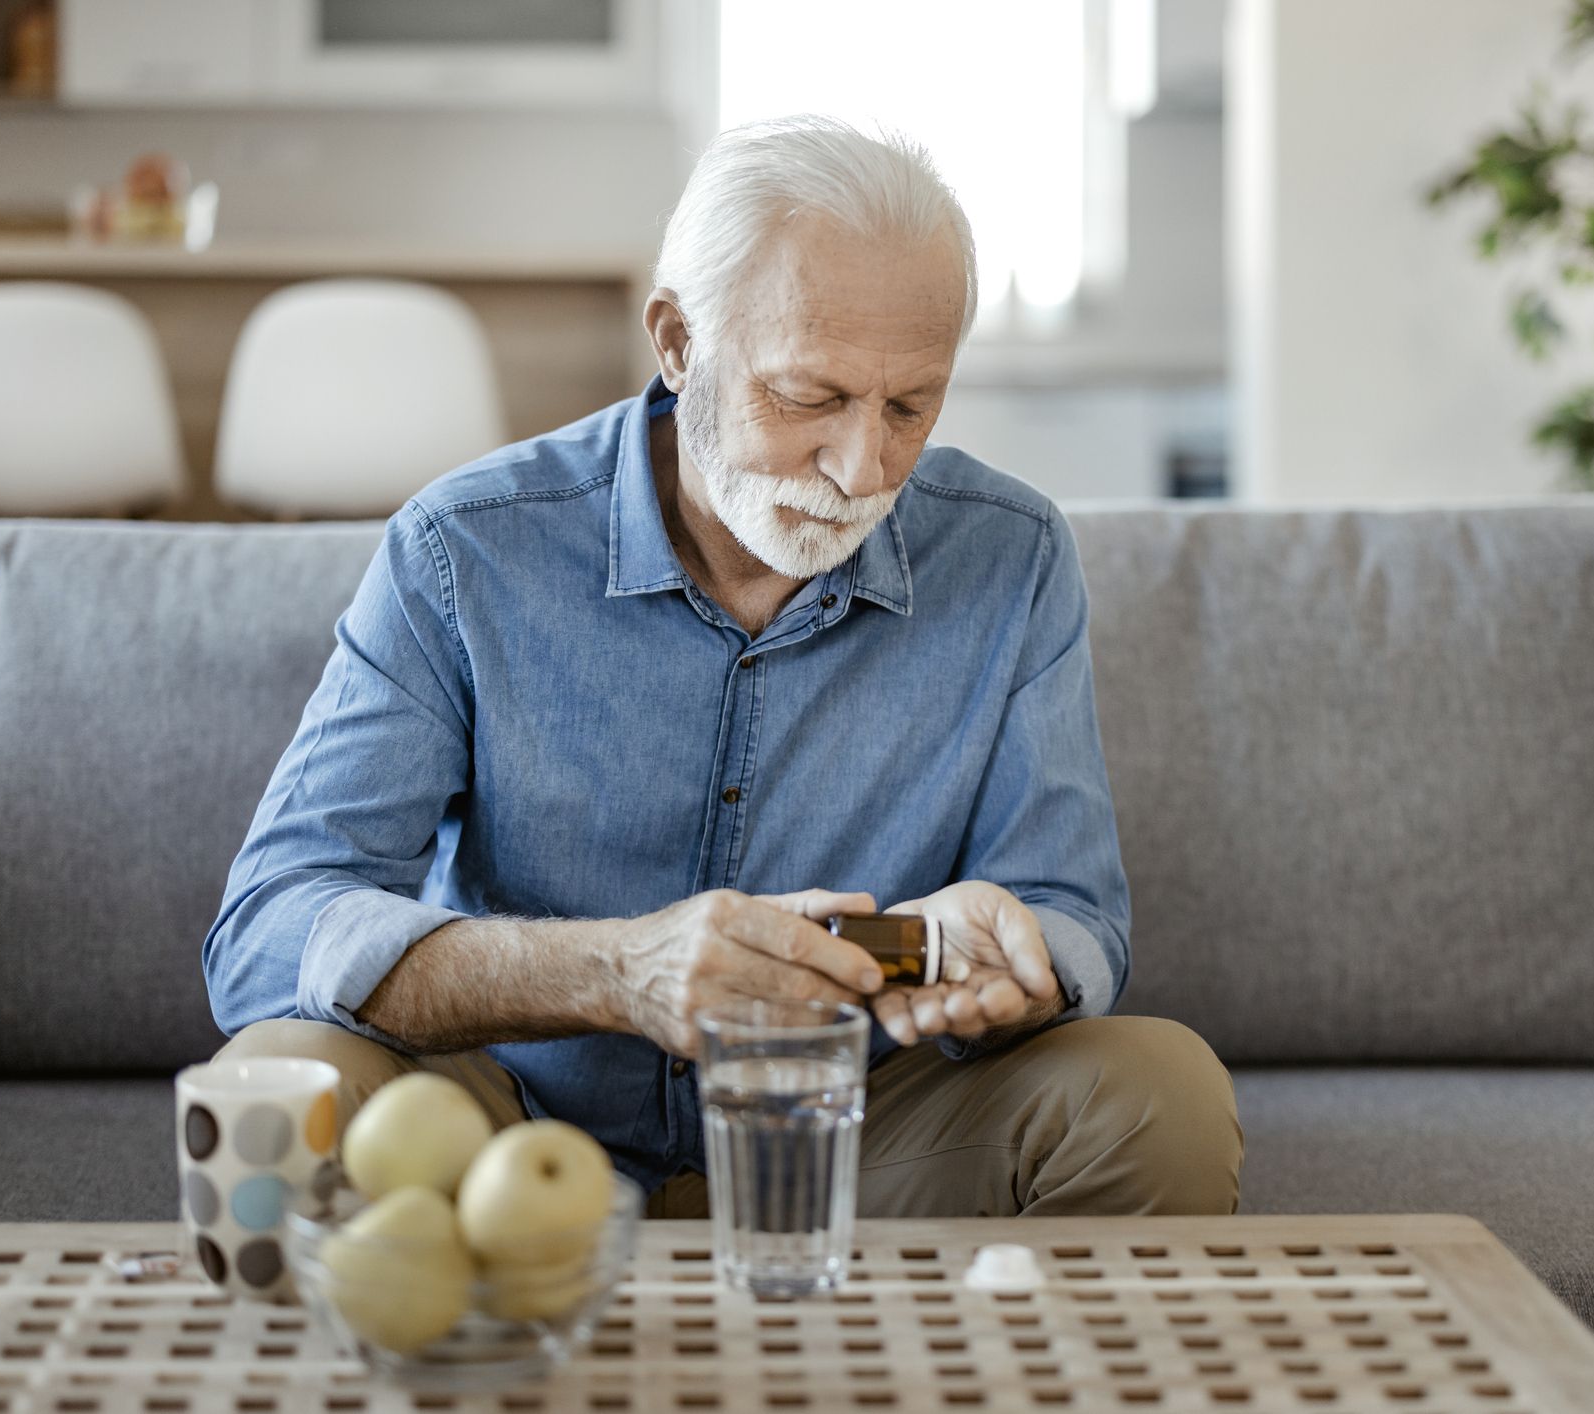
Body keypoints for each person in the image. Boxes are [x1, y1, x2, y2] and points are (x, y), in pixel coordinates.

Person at [204, 115, 1241, 1218]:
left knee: (1152, 1090)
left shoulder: (1011, 553)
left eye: (909, 406)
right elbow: (269, 928)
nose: (861, 467)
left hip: (844, 1139)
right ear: (677, 341)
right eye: (809, 397)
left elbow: (1073, 917)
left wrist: (994, 951)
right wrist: (613, 971)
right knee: (278, 1076)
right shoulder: (464, 549)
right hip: (503, 1136)